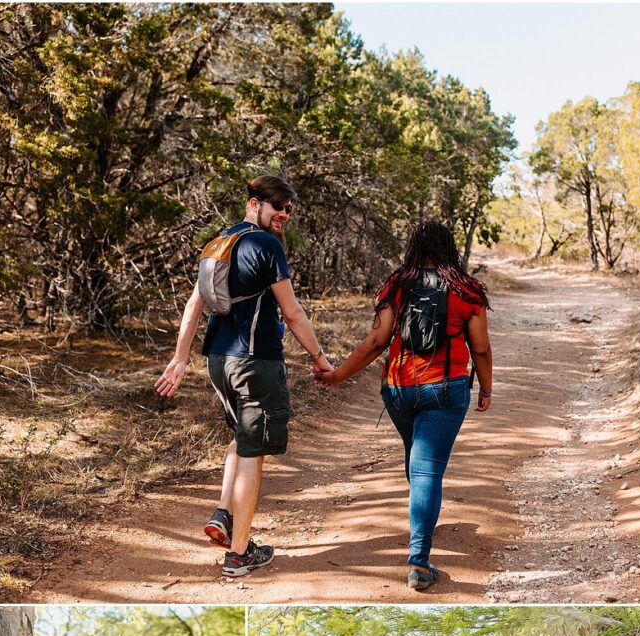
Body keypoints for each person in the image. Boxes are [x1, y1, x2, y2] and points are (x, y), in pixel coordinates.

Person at [155, 175, 334, 578]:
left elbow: (193, 305)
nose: (284, 215)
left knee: (241, 438)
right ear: (254, 204)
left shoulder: (219, 242)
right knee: (254, 453)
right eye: (277, 207)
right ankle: (238, 556)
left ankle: (223, 514)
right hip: (255, 362)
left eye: (288, 209)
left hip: (218, 358)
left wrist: (181, 357)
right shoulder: (265, 245)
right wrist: (319, 357)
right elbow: (292, 312)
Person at [316, 221, 493, 590]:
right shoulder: (467, 290)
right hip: (446, 390)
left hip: (398, 389)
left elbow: (375, 342)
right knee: (426, 471)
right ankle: (419, 561)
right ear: (450, 248)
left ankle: (422, 518)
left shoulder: (398, 284)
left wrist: (337, 375)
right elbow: (480, 348)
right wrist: (486, 389)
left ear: (413, 247)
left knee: (417, 458)